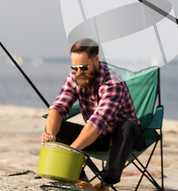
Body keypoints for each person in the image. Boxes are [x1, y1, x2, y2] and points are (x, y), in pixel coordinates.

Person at [41, 38, 144, 186]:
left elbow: (98, 121)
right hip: (98, 137)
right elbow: (58, 107)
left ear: (96, 60)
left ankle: (105, 183)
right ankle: (80, 180)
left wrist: (70, 151)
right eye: (74, 68)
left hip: (125, 138)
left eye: (83, 67)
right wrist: (50, 136)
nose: (78, 72)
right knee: (58, 128)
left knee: (126, 126)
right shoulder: (74, 77)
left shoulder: (113, 82)